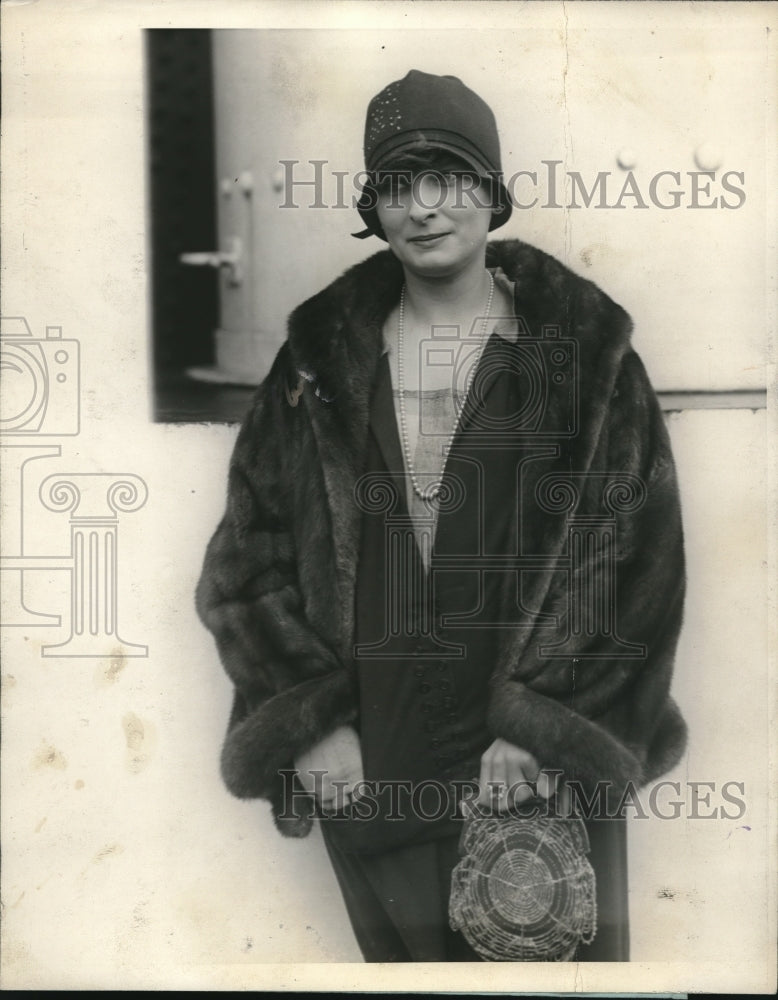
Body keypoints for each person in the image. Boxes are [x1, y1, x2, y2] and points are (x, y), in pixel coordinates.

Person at [196, 70, 687, 963]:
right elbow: (248, 558)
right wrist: (310, 721)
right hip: (373, 767)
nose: (422, 207)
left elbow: (637, 562)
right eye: (395, 184)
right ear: (372, 207)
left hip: (533, 783)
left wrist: (543, 724)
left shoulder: (584, 360)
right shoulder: (317, 364)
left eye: (448, 177)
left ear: (491, 194)